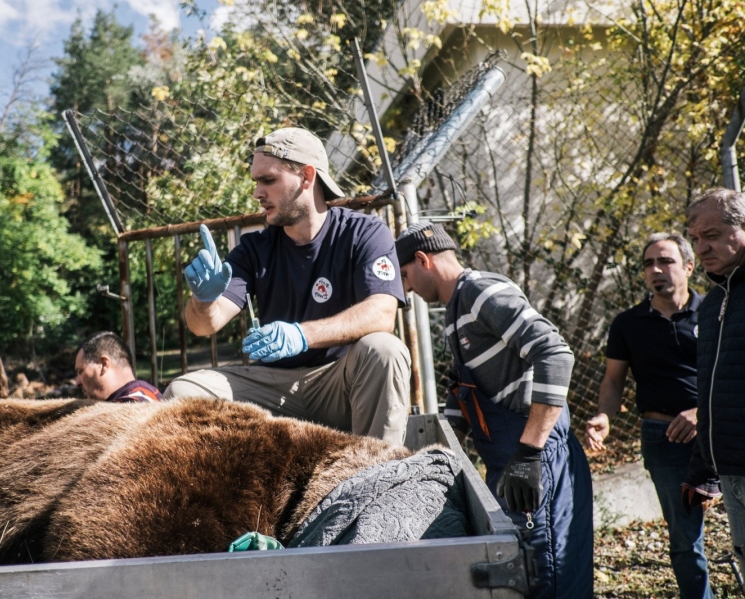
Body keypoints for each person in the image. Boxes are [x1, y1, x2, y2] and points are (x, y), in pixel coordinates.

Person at [163, 127, 410, 445]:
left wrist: (301, 335)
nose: (257, 193)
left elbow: (381, 314)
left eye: (268, 180)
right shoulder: (253, 249)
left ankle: (379, 479)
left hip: (338, 384)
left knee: (385, 351)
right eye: (256, 182)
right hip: (272, 390)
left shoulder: (364, 233)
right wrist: (202, 299)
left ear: (307, 177)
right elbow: (205, 325)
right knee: (183, 392)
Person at [395, 221, 592, 599]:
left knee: (546, 573)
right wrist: (434, 460)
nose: (407, 288)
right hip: (505, 461)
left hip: (536, 459)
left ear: (424, 259)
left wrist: (530, 453)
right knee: (516, 573)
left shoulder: (482, 292)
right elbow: (465, 390)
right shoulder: (455, 313)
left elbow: (554, 353)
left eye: (406, 275)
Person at [586, 233, 714, 599]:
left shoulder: (716, 313)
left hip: (723, 431)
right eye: (648, 264)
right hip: (665, 438)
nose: (656, 270)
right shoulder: (628, 323)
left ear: (689, 267)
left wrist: (701, 413)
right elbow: (613, 380)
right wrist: (604, 417)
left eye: (666, 261)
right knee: (685, 539)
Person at [684, 188, 745, 577]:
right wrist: (703, 468)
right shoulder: (711, 304)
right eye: (694, 239)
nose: (700, 248)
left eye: (711, 235)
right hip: (731, 471)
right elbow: (712, 393)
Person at [75, 331, 162, 403]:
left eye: (80, 371)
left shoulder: (133, 406)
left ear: (103, 365)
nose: (77, 382)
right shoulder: (147, 394)